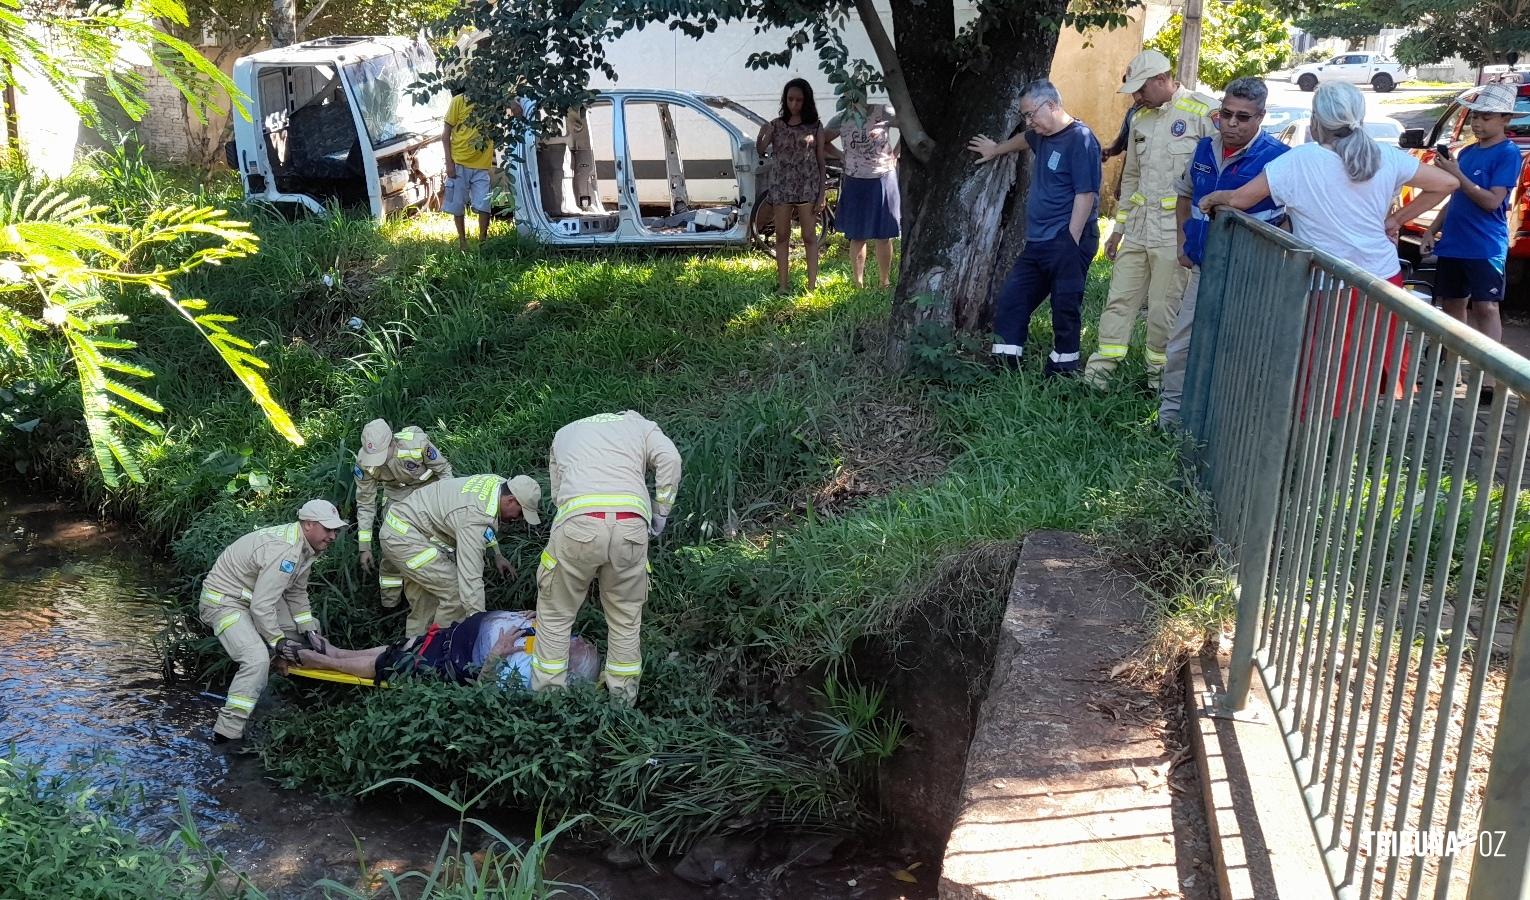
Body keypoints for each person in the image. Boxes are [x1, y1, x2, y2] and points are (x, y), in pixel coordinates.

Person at [1199, 81, 1459, 405]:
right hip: (1383, 279)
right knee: (1371, 373)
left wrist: (1213, 198)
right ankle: (1354, 444)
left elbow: (1239, 199)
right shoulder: (1385, 156)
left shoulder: (1299, 161)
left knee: (1325, 379)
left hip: (1330, 285)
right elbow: (1447, 182)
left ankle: (1317, 446)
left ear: (1316, 120)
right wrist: (1394, 220)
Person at [1159, 77, 1290, 428]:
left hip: (1251, 275)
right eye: (1226, 114)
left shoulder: (1278, 158)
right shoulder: (1204, 148)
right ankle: (1169, 422)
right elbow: (1184, 195)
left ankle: (1226, 424)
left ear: (1260, 117)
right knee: (1181, 346)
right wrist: (1183, 241)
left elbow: (1291, 219)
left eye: (1243, 117)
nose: (1231, 124)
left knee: (1237, 352)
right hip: (1204, 268)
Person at [1085, 50, 1219, 389]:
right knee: (1118, 300)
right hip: (1140, 228)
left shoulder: (1203, 111)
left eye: (1141, 88)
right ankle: (1098, 378)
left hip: (1175, 232)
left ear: (1162, 79)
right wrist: (1118, 229)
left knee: (1163, 309)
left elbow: (1216, 172)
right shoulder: (1139, 118)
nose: (1136, 96)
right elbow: (1131, 177)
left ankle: (1158, 382)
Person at [531, 411, 681, 706]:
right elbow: (671, 460)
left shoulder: (565, 431)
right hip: (631, 526)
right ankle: (622, 702)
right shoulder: (641, 426)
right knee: (625, 617)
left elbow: (558, 492)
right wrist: (661, 513)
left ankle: (549, 703)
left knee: (556, 614)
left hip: (577, 523)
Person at [968, 79, 1102, 376]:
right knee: (1012, 300)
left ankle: (1063, 373)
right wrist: (997, 149)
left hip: (1068, 239)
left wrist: (1071, 240)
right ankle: (1006, 368)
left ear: (1052, 105)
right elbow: (1026, 139)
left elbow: (1086, 194)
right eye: (1024, 116)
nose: (1028, 122)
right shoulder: (1042, 135)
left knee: (1065, 307)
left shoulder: (1080, 139)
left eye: (1031, 114)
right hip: (1038, 242)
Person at [199, 499, 347, 744]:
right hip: (224, 603)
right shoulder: (285, 551)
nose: (333, 536)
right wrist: (277, 641)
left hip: (253, 598)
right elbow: (261, 606)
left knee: (307, 633)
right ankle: (226, 733)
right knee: (255, 659)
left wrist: (308, 630)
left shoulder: (307, 547)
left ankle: (280, 680)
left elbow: (296, 592)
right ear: (308, 524)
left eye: (335, 530)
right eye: (328, 529)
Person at [1422, 82, 1522, 405]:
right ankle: (1452, 373)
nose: (1478, 123)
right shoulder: (1465, 153)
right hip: (1454, 243)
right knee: (1453, 308)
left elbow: (1492, 201)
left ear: (1505, 119)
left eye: (1486, 117)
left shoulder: (1508, 154)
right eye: (1475, 115)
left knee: (1486, 307)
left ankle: (1489, 378)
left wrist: (1458, 175)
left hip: (1485, 247)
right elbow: (1455, 196)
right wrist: (1432, 229)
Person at [379, 474, 542, 636]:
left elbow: (486, 521)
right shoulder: (473, 519)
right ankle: (439, 650)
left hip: (403, 526)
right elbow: (470, 579)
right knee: (455, 595)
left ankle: (411, 652)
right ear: (510, 500)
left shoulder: (497, 483)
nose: (518, 519)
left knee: (427, 599)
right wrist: (478, 625)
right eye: (520, 513)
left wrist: (496, 553)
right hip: (406, 540)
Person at [353, 418, 486, 609]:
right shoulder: (364, 462)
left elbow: (444, 471)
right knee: (391, 547)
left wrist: (446, 501)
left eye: (383, 454)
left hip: (429, 493)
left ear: (393, 442)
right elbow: (365, 503)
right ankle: (390, 604)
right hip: (397, 499)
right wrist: (364, 546)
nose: (379, 461)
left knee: (438, 543)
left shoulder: (417, 444)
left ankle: (441, 590)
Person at [289, 610, 602, 689]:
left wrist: (497, 653)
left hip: (454, 660)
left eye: (576, 645)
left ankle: (318, 660)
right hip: (459, 635)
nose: (575, 639)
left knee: (390, 663)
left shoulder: (533, 679)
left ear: (568, 667)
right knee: (404, 646)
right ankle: (336, 652)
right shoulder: (553, 645)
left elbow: (484, 688)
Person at [758, 79, 828, 293]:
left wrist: (822, 193)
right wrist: (763, 133)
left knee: (809, 236)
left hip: (807, 186)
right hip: (782, 186)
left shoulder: (815, 126)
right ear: (785, 99)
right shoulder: (776, 125)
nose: (794, 104)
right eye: (790, 99)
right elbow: (761, 151)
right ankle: (783, 285)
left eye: (799, 100)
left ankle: (812, 286)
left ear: (806, 101)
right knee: (782, 236)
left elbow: (821, 160)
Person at [825, 99, 900, 289]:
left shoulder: (883, 111)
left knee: (884, 234)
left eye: (861, 90)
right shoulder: (842, 118)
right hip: (855, 180)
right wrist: (842, 156)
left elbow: (908, 128)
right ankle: (858, 283)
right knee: (857, 235)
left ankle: (885, 281)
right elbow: (822, 140)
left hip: (883, 177)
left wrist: (895, 154)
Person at [442, 92, 520, 251]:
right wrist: (449, 163)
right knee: (457, 205)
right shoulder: (459, 101)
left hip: (481, 166)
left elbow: (514, 106)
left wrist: (512, 103)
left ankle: (483, 243)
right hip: (459, 163)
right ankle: (462, 242)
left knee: (484, 205)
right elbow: (445, 135)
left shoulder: (491, 100)